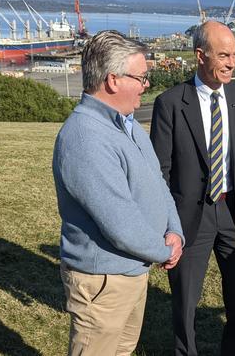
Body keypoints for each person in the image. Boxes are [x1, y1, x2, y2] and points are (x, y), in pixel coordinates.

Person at [52, 30, 184, 356]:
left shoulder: (126, 124)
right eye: (141, 77)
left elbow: (157, 183)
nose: (146, 84)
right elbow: (119, 222)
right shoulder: (86, 137)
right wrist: (164, 251)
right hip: (103, 282)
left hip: (131, 271)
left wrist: (174, 231)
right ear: (113, 80)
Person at [149, 20, 235, 355]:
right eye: (224, 55)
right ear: (200, 55)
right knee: (185, 306)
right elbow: (160, 173)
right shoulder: (169, 103)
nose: (232, 63)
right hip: (187, 220)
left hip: (232, 213)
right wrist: (168, 226)